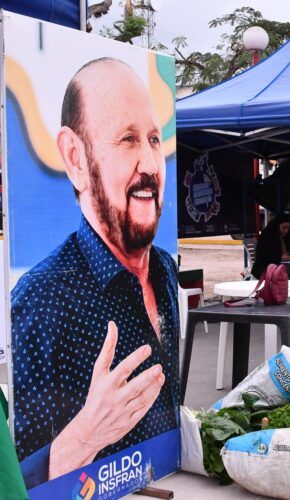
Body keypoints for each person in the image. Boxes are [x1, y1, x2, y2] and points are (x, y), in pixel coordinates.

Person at [11, 58, 177, 487]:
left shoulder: (164, 268)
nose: (149, 163)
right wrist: (85, 436)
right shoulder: (41, 299)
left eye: (154, 139)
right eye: (127, 139)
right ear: (75, 158)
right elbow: (18, 481)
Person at [250, 213, 290, 280]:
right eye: (284, 227)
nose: (286, 230)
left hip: (282, 264)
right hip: (266, 266)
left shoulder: (286, 235)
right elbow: (262, 256)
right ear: (277, 225)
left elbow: (289, 251)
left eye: (288, 228)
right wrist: (280, 257)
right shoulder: (267, 236)